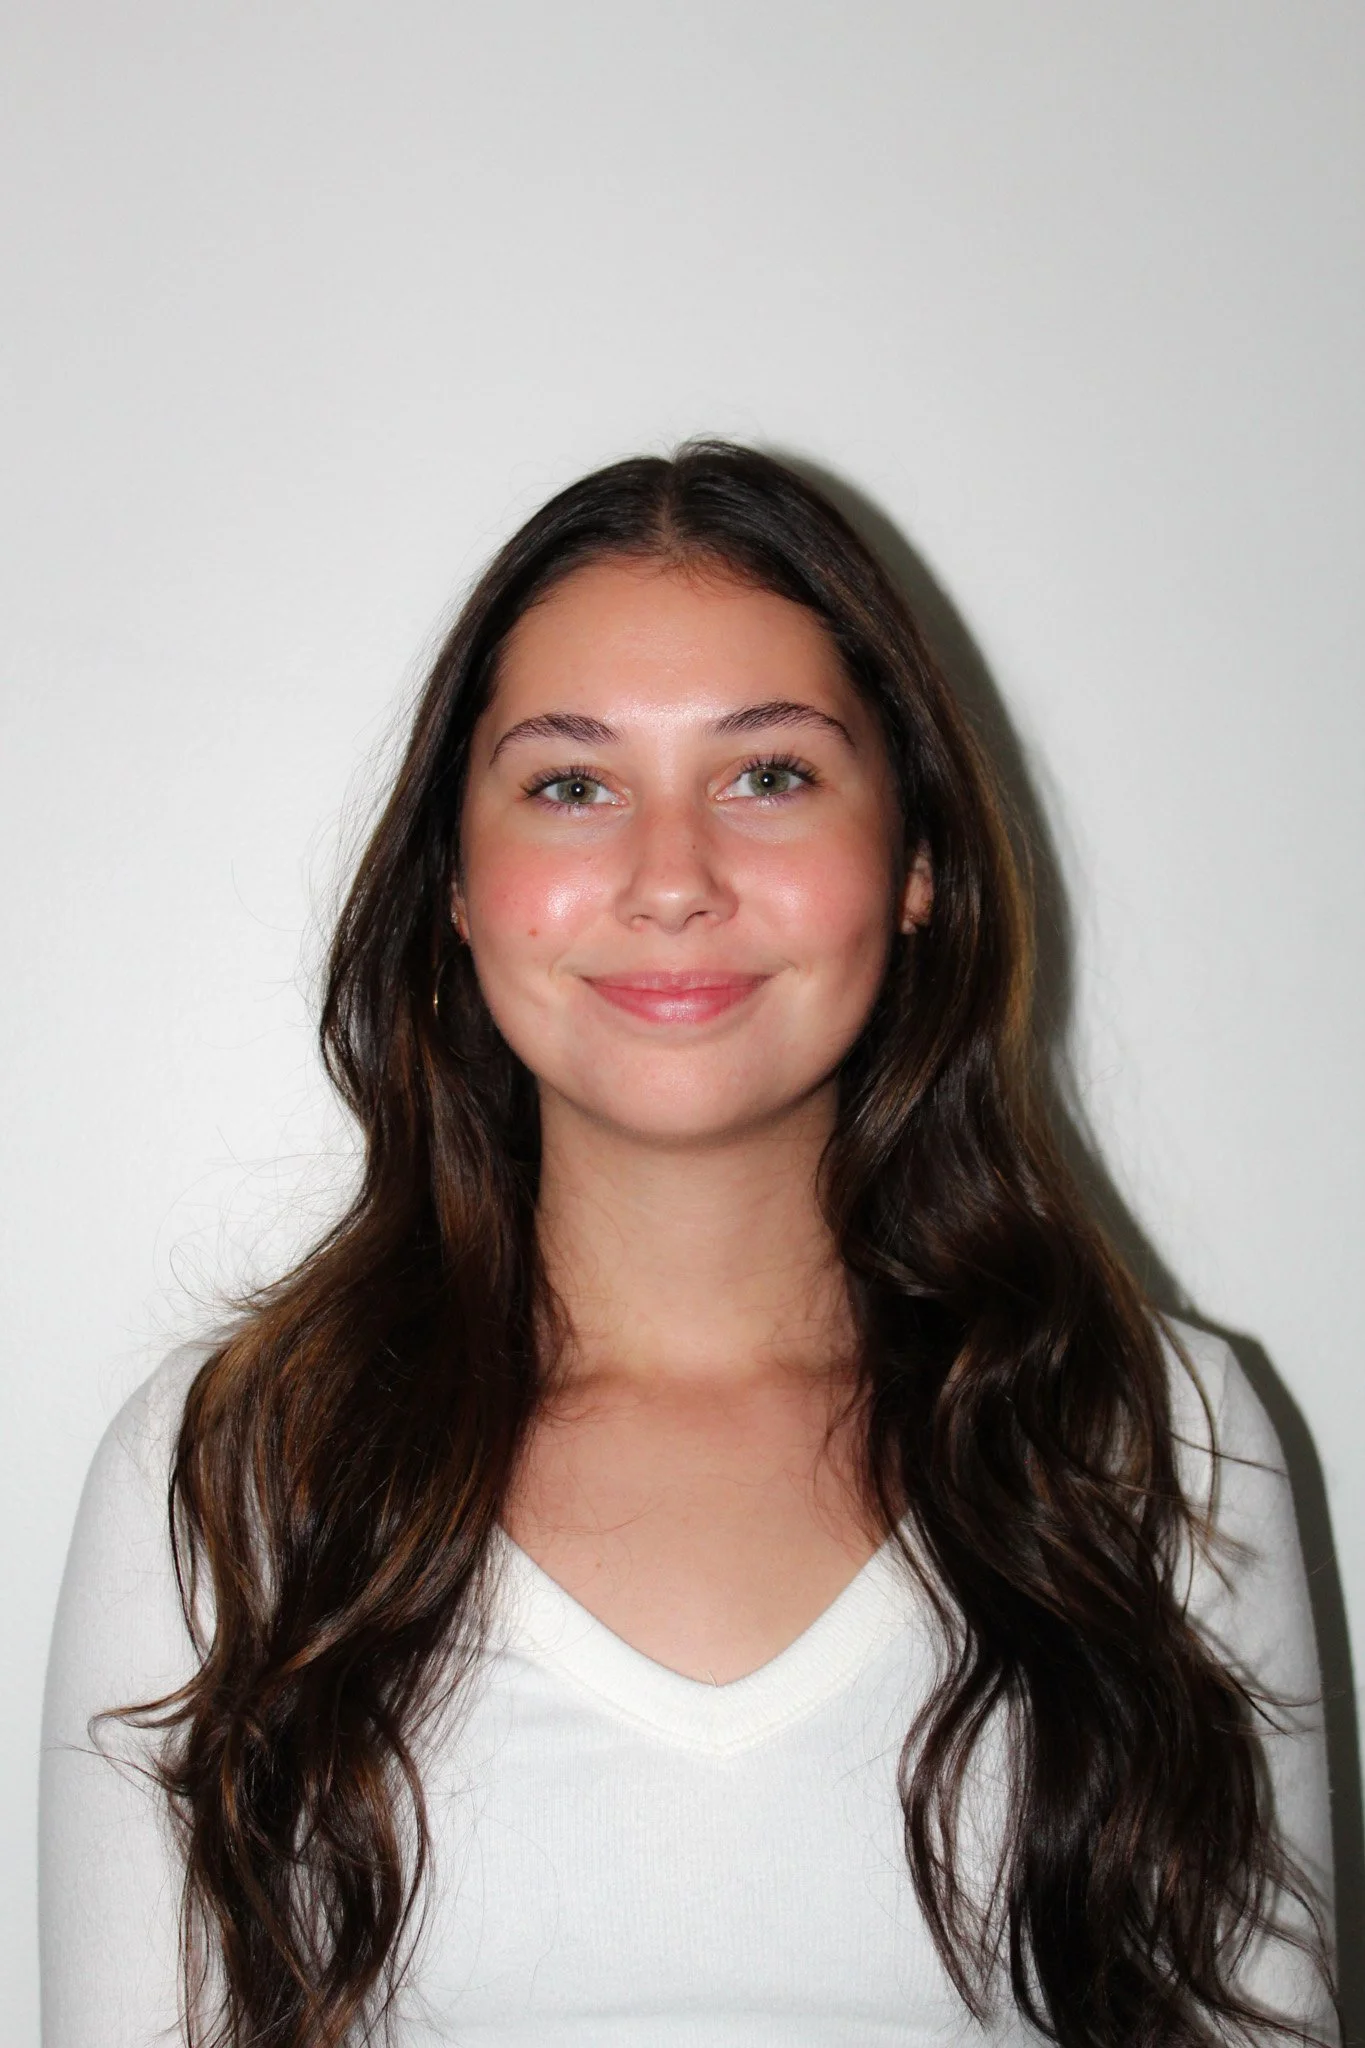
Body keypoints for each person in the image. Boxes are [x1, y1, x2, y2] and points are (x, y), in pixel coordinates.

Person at [40, 443, 1336, 2048]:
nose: (672, 881)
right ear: (456, 879)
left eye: (770, 775)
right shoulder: (228, 1469)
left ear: (918, 861)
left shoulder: (1167, 1441)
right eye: (572, 784)